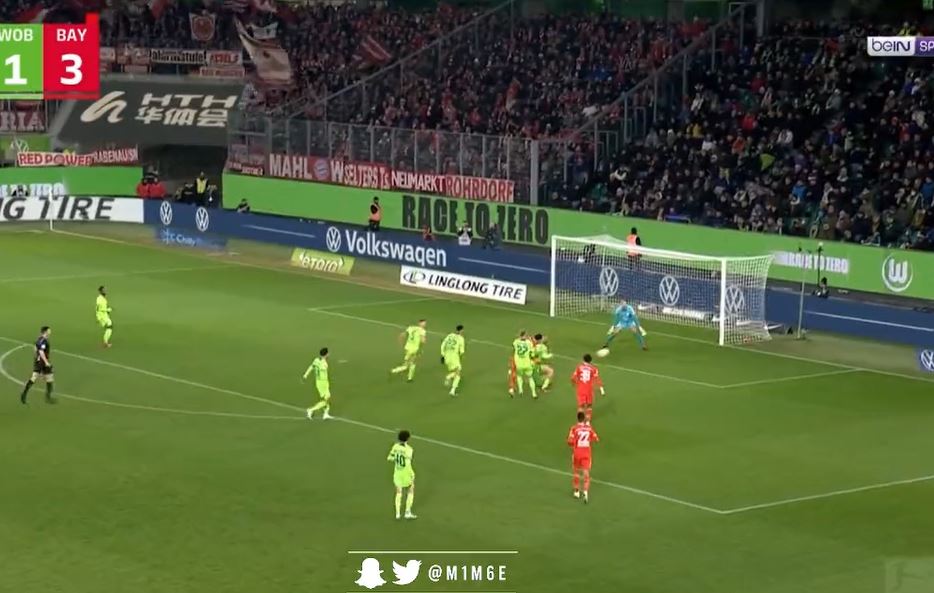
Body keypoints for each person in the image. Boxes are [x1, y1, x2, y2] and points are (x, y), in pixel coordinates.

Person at [567, 411, 600, 503]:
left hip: (577, 453)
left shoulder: (574, 428)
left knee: (576, 472)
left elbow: (570, 441)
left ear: (577, 418)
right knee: (586, 473)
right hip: (586, 453)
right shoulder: (589, 428)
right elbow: (596, 439)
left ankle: (577, 491)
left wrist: (574, 444)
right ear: (584, 419)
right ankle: (585, 492)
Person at [387, 429, 417, 520]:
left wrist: (396, 459)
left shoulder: (395, 447)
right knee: (411, 490)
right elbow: (408, 463)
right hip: (406, 472)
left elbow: (389, 458)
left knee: (398, 492)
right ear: (408, 438)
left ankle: (397, 514)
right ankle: (407, 512)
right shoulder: (409, 449)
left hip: (397, 472)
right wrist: (412, 474)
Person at [20, 326, 55, 404]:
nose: (50, 331)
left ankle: (48, 397)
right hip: (41, 362)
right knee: (34, 377)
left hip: (40, 361)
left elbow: (36, 349)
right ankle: (24, 394)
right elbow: (41, 352)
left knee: (49, 377)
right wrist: (46, 362)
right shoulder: (43, 341)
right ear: (45, 331)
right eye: (49, 330)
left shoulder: (41, 339)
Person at [302, 347, 332, 420]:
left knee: (327, 398)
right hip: (322, 383)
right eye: (328, 353)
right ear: (326, 354)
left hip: (319, 382)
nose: (329, 354)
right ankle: (311, 410)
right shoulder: (324, 364)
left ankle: (326, 414)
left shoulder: (316, 360)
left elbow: (311, 367)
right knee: (326, 399)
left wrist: (305, 375)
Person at [572, 354, 604, 422]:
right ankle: (588, 422)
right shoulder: (594, 369)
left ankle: (580, 422)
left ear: (583, 359)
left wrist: (575, 384)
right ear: (591, 360)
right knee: (589, 405)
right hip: (589, 389)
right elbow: (597, 379)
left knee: (581, 406)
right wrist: (601, 388)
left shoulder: (579, 367)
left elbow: (573, 378)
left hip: (580, 389)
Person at [509, 330, 537, 399]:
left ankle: (521, 390)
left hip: (519, 364)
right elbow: (533, 354)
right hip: (527, 364)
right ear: (525, 336)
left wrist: (520, 338)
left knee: (519, 376)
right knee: (530, 378)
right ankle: (534, 393)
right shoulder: (529, 343)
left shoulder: (516, 342)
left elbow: (514, 345)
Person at [440, 325, 465, 397]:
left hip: (447, 356)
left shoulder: (450, 335)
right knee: (458, 373)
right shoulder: (461, 338)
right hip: (454, 357)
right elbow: (462, 351)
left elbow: (443, 344)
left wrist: (442, 355)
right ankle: (452, 390)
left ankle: (449, 378)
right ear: (461, 331)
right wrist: (462, 357)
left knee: (456, 371)